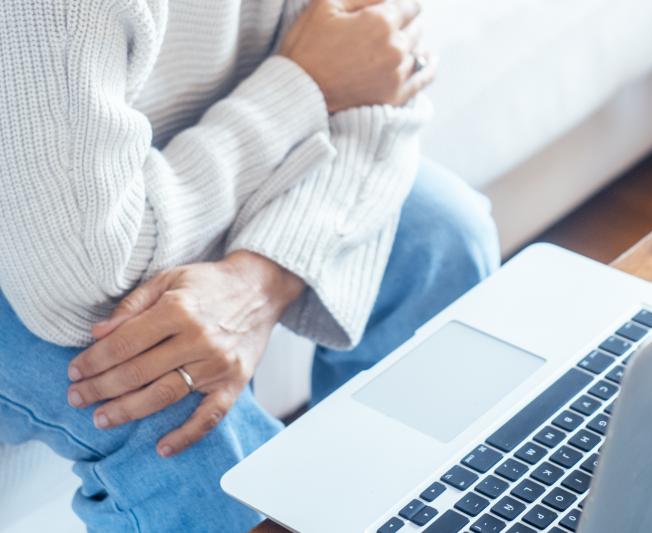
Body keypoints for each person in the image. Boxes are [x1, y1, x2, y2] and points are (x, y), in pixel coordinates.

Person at [0, 0, 499, 531]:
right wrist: (303, 88)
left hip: (166, 182)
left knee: (443, 243)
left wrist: (262, 275)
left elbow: (384, 66)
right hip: (33, 233)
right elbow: (81, 271)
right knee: (177, 414)